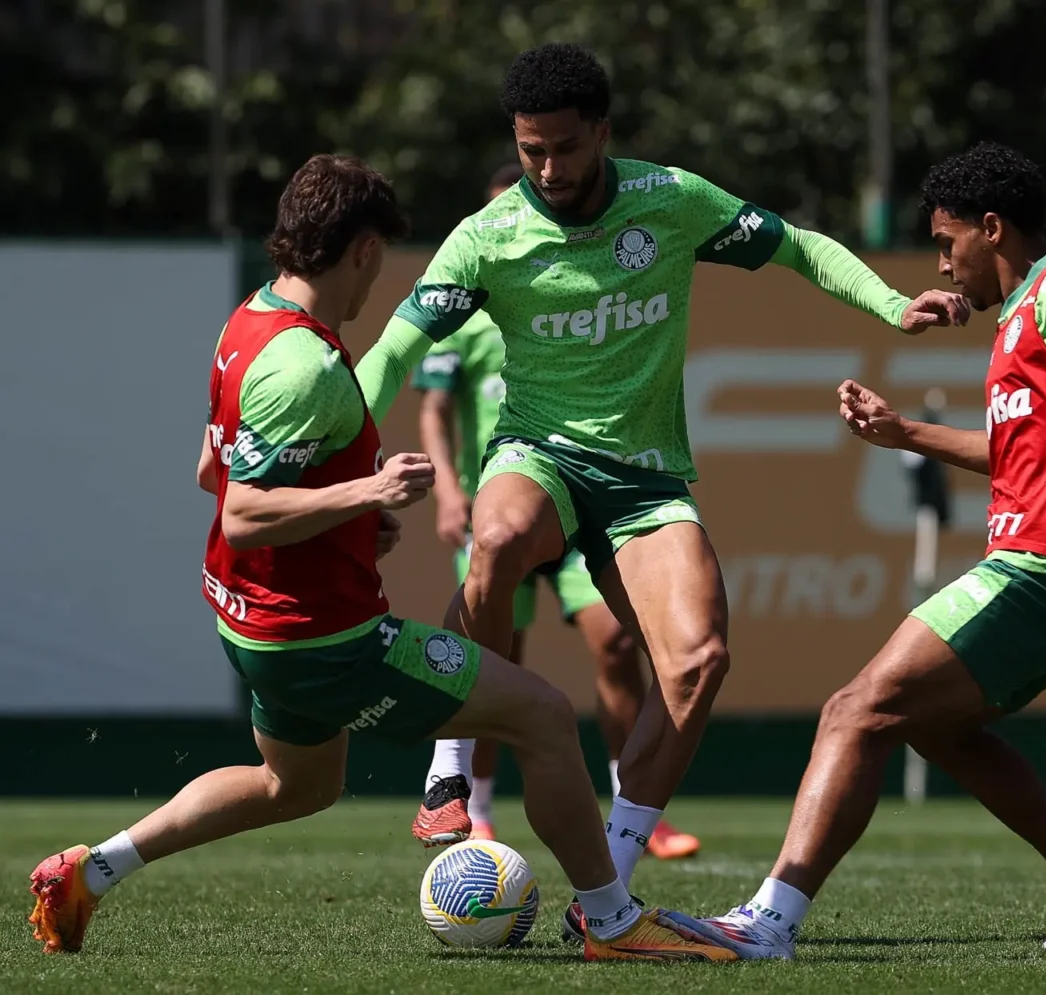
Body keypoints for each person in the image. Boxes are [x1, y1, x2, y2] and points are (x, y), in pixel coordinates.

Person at [25, 154, 735, 963]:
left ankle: (92, 870)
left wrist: (338, 521)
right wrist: (367, 497)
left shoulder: (245, 325)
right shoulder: (308, 365)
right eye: (379, 260)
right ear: (363, 250)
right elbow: (246, 511)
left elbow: (207, 469)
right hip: (325, 640)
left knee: (296, 785)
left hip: (249, 622)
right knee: (541, 713)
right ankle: (611, 920)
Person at [353, 42, 966, 941]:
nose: (548, 169)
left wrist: (888, 304)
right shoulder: (487, 237)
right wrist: (347, 469)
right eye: (531, 151)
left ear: (603, 132)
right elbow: (394, 353)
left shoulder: (670, 201)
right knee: (496, 538)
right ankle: (451, 765)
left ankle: (609, 884)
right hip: (539, 455)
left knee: (698, 661)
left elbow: (797, 247)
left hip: (643, 483)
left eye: (564, 147)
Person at [665, 143, 1046, 959]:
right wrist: (901, 432)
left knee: (854, 708)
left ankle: (768, 920)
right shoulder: (1025, 313)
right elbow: (1015, 452)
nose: (944, 267)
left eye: (949, 245)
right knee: (937, 728)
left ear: (992, 228)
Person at [411, 162, 699, 860]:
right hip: (509, 496)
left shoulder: (580, 280)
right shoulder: (466, 308)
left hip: (582, 501)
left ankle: (633, 802)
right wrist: (451, 489)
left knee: (617, 641)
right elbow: (435, 406)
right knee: (500, 653)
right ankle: (473, 807)